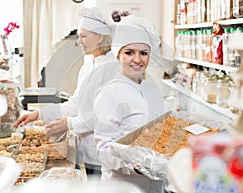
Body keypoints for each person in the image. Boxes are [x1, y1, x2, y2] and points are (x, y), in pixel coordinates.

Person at [14, 7, 119, 176]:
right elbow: (76, 104)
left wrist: (69, 124)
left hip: (106, 154)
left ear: (100, 37)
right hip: (87, 151)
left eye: (83, 36)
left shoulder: (113, 69)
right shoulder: (88, 66)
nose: (79, 41)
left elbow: (107, 116)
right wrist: (38, 115)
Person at [93, 15, 167, 193]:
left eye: (143, 53)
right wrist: (133, 166)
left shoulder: (152, 89)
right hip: (123, 184)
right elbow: (104, 150)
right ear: (118, 54)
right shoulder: (109, 94)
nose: (137, 59)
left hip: (155, 184)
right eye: (129, 52)